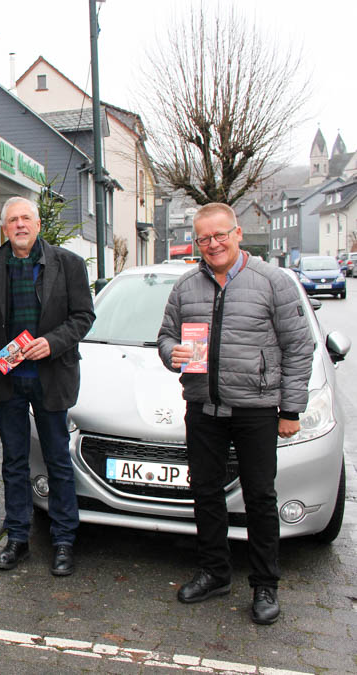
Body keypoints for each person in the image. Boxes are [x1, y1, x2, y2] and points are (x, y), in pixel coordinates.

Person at [157, 202, 313, 625]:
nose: (212, 244)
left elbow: (299, 347)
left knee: (260, 498)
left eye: (220, 235)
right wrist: (174, 353)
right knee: (206, 493)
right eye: (203, 238)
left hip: (257, 409)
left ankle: (265, 584)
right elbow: (166, 336)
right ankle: (215, 572)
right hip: (203, 406)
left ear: (238, 233)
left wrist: (291, 408)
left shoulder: (273, 281)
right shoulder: (186, 286)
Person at [0, 196, 94, 576]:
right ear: (4, 228)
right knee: (14, 461)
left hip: (51, 376)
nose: (20, 225)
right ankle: (18, 538)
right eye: (12, 220)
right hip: (7, 379)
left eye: (26, 218)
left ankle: (63, 540)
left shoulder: (67, 263)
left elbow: (83, 316)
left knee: (57, 458)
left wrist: (52, 343)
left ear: (37, 224)